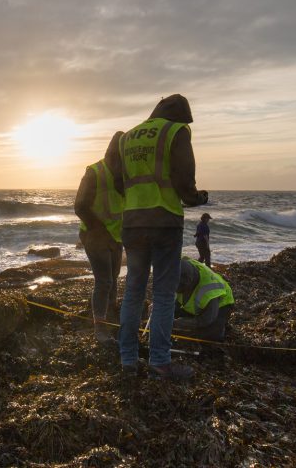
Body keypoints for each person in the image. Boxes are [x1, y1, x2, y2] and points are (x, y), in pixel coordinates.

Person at [117, 94, 208, 381]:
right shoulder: (175, 131)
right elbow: (184, 182)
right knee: (164, 294)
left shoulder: (128, 137)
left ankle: (128, 360)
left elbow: (120, 182)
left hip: (132, 222)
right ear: (180, 116)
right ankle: (159, 361)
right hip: (165, 222)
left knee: (132, 292)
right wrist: (197, 198)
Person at [75, 132, 126, 344]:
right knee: (104, 281)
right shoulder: (94, 172)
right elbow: (80, 207)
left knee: (113, 279)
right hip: (95, 234)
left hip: (117, 235)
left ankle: (109, 316)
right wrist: (99, 230)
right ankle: (100, 327)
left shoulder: (125, 173)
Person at [174, 257, 234, 342]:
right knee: (169, 314)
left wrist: (185, 323)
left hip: (221, 306)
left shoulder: (209, 290)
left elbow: (207, 319)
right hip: (195, 305)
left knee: (210, 336)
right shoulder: (183, 263)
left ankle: (221, 324)